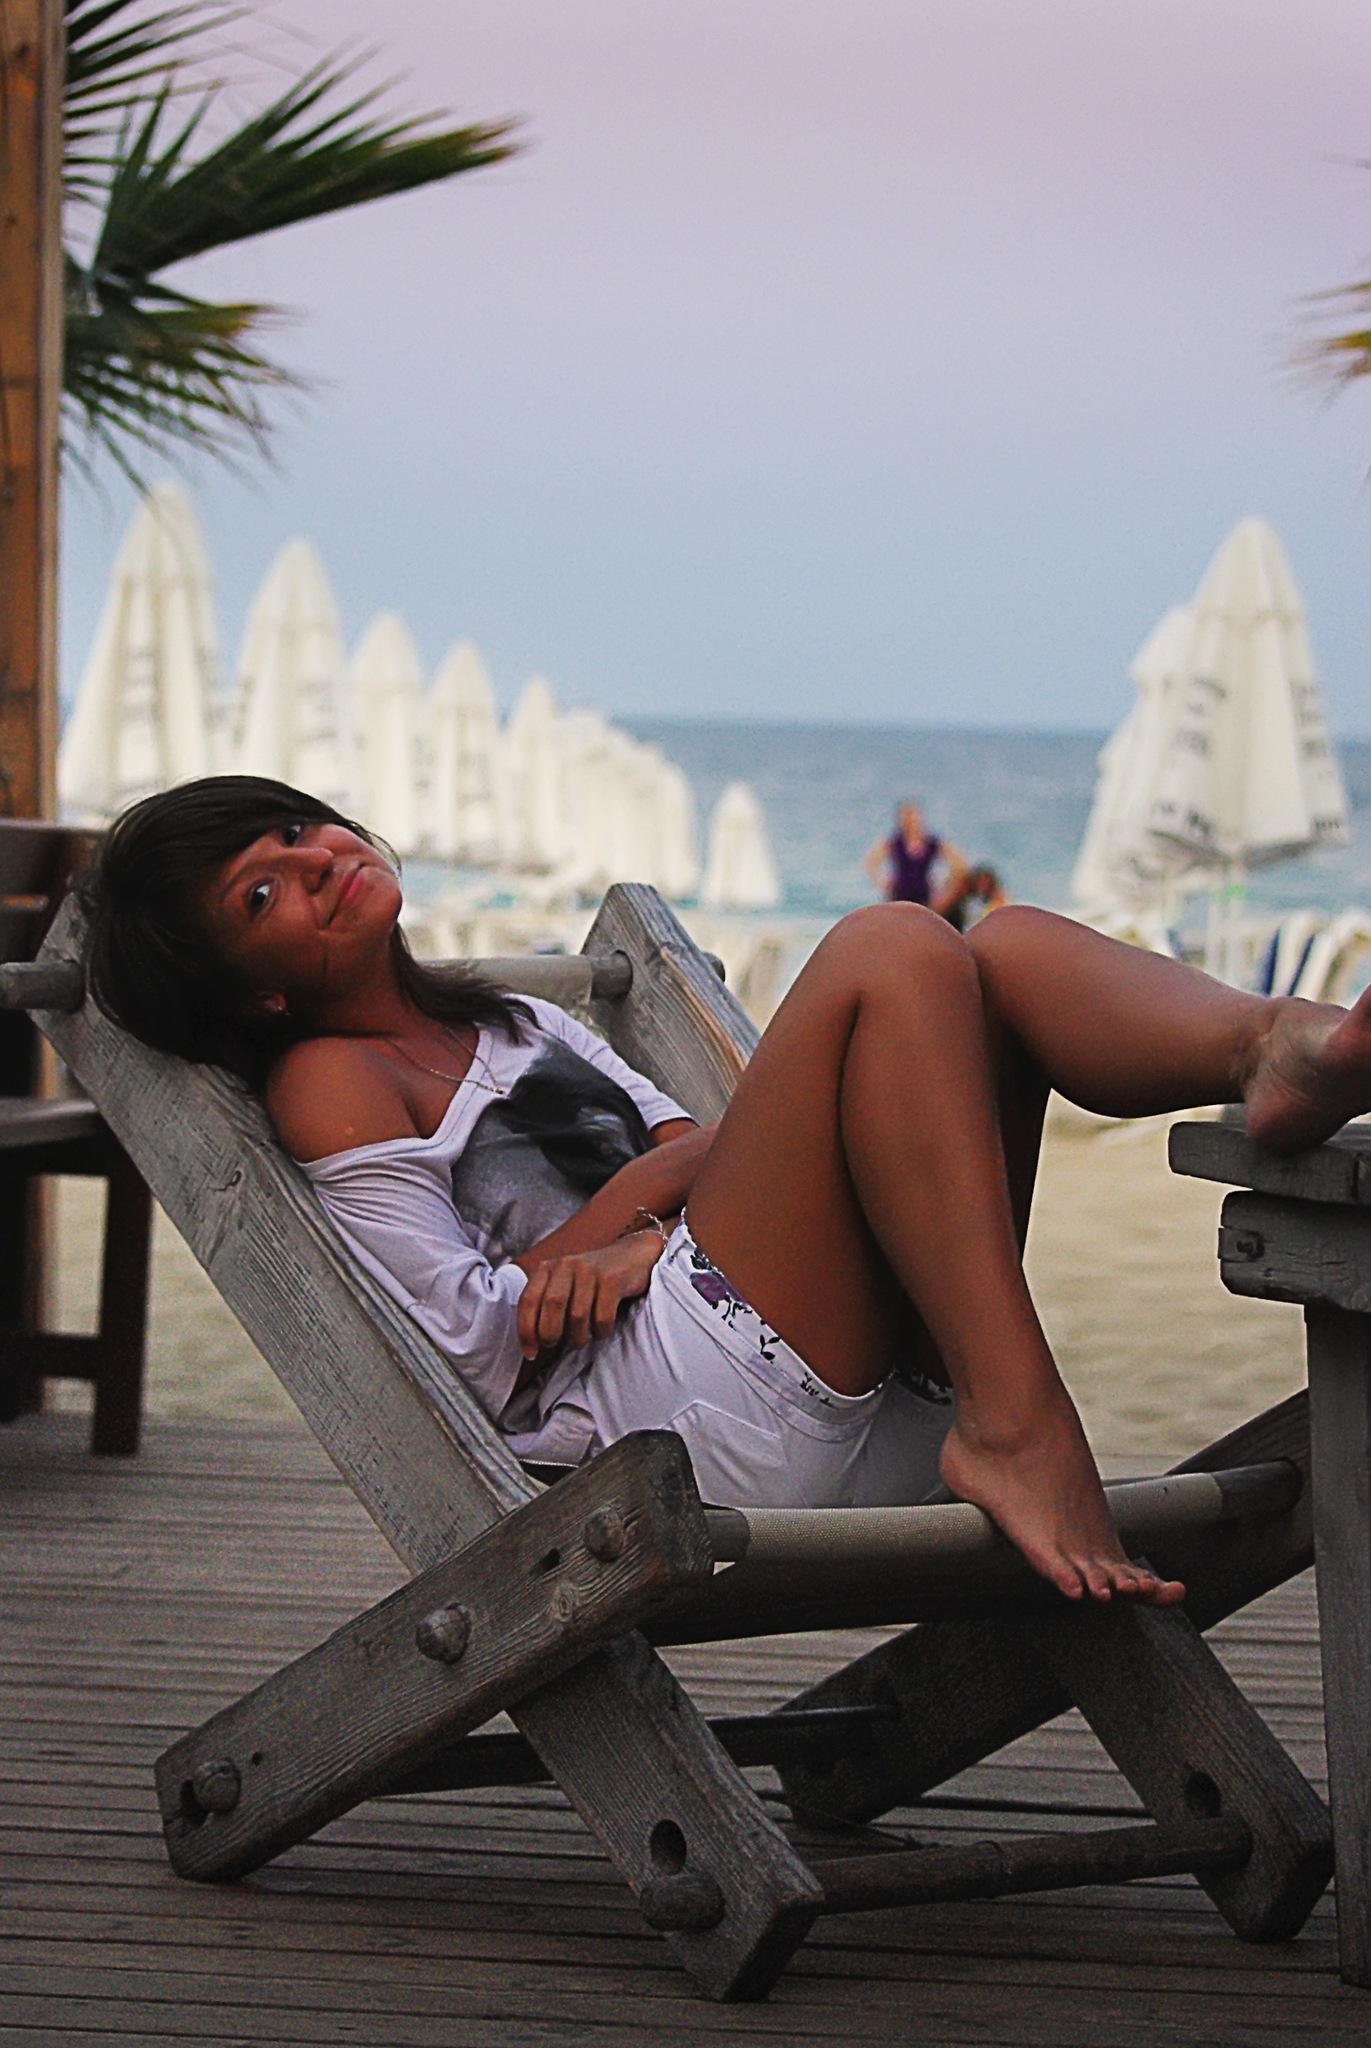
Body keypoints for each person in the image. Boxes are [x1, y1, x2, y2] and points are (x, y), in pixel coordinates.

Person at [84, 776, 1371, 1608]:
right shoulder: (330, 1080)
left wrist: (633, 1226)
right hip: (686, 1427)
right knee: (894, 944)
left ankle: (1268, 1046)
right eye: (263, 890)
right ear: (255, 991)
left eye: (295, 830)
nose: (313, 861)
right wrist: (633, 1223)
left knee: (1005, 947)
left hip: (837, 1377)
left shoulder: (518, 1023)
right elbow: (470, 1348)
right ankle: (1020, 1416)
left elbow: (710, 1144)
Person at [864, 801, 968, 914]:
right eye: (905, 817)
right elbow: (871, 862)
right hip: (898, 896)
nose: (910, 820)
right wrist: (883, 882)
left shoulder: (932, 843)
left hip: (924, 897)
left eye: (912, 816)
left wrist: (944, 886)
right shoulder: (894, 842)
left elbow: (960, 865)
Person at [941, 863, 1008, 935]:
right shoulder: (962, 898)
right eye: (980, 881)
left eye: (986, 883)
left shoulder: (991, 903)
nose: (982, 885)